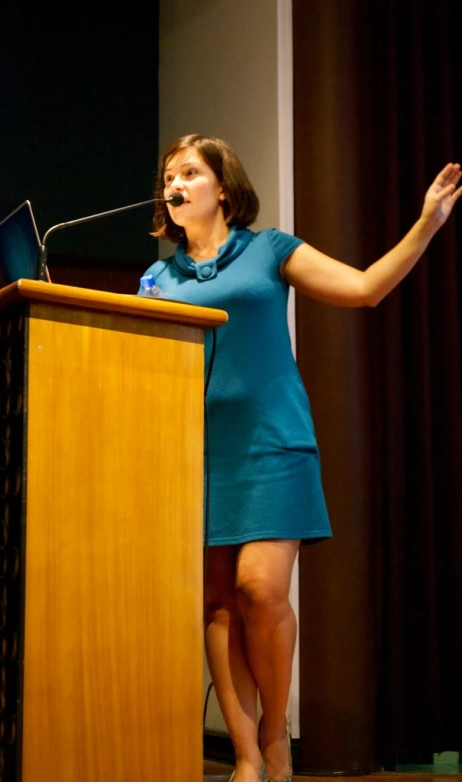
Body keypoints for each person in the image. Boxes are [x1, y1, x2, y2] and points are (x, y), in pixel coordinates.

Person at [139, 134, 462, 782]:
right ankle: (248, 757)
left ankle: (276, 735)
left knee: (259, 590)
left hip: (270, 442)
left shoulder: (268, 250)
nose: (174, 183)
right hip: (193, 452)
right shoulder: (155, 278)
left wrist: (425, 225)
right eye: (168, 175)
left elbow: (364, 288)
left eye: (189, 172)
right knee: (218, 603)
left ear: (222, 188)